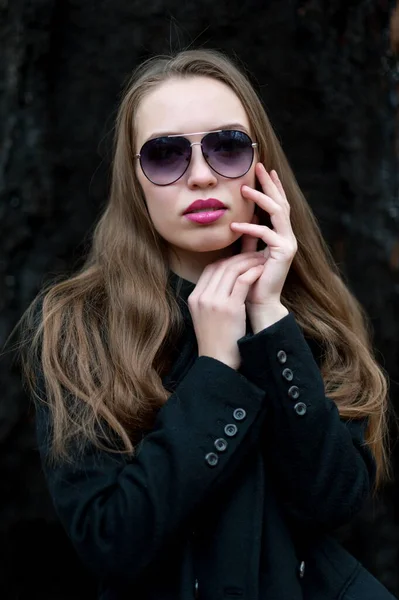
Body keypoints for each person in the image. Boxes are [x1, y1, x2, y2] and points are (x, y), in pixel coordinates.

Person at [17, 48, 396, 599]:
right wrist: (216, 368)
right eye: (166, 156)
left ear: (261, 163)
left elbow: (332, 501)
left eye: (227, 147)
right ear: (135, 178)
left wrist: (269, 324)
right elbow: (112, 543)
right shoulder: (79, 324)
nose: (200, 177)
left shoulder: (308, 310)